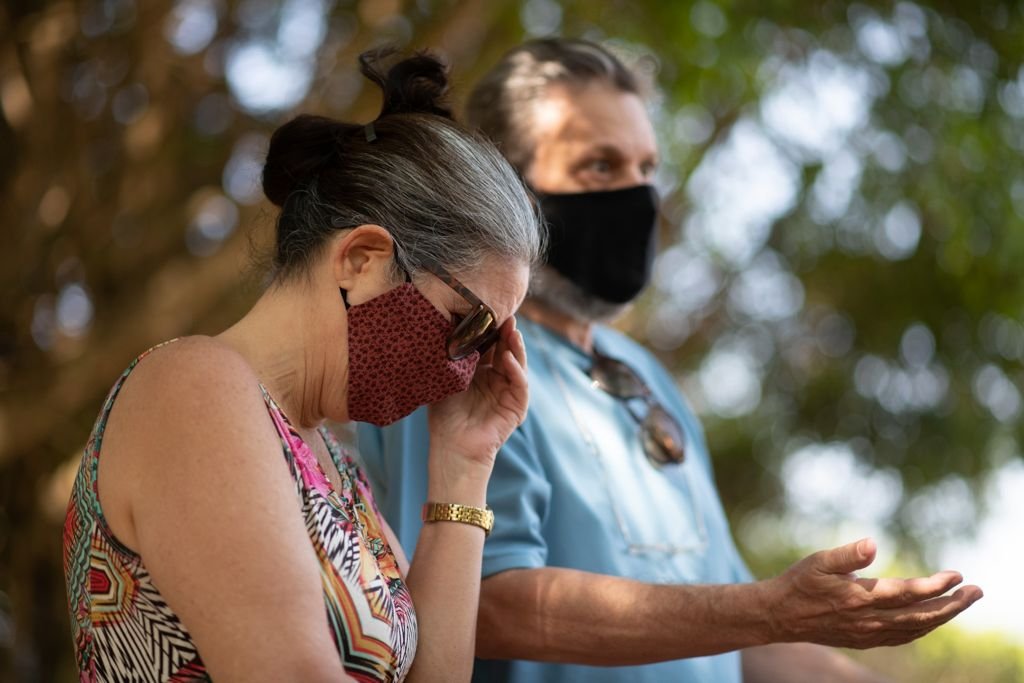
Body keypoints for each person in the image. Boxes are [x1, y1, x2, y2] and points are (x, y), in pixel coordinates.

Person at [356, 39, 983, 682]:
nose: (636, 195)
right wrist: (766, 611)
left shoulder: (645, 373)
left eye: (645, 167)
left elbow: (735, 634)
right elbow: (478, 606)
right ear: (508, 189)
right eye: (599, 166)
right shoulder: (459, 358)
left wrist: (802, 625)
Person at [62, 50, 544, 683]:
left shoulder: (334, 462)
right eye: (468, 321)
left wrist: (463, 467)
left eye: (486, 342)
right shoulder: (193, 387)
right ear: (362, 259)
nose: (465, 365)